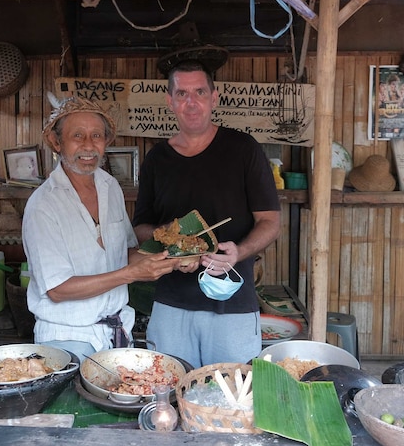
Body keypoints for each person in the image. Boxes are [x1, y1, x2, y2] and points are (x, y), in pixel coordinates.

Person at [133, 61, 281, 367]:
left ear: (214, 97)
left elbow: (270, 221)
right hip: (170, 304)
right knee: (170, 393)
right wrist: (172, 248)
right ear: (170, 101)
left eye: (200, 91)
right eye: (182, 93)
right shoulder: (157, 159)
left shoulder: (244, 150)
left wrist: (239, 252)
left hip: (233, 304)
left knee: (232, 397)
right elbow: (141, 228)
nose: (191, 101)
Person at [21, 96, 177, 360]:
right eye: (77, 135)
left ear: (106, 142)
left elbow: (124, 255)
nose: (88, 145)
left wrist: (170, 256)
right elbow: (57, 290)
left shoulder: (109, 187)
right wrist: (130, 274)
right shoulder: (43, 205)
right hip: (68, 341)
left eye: (96, 135)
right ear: (57, 143)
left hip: (115, 334)